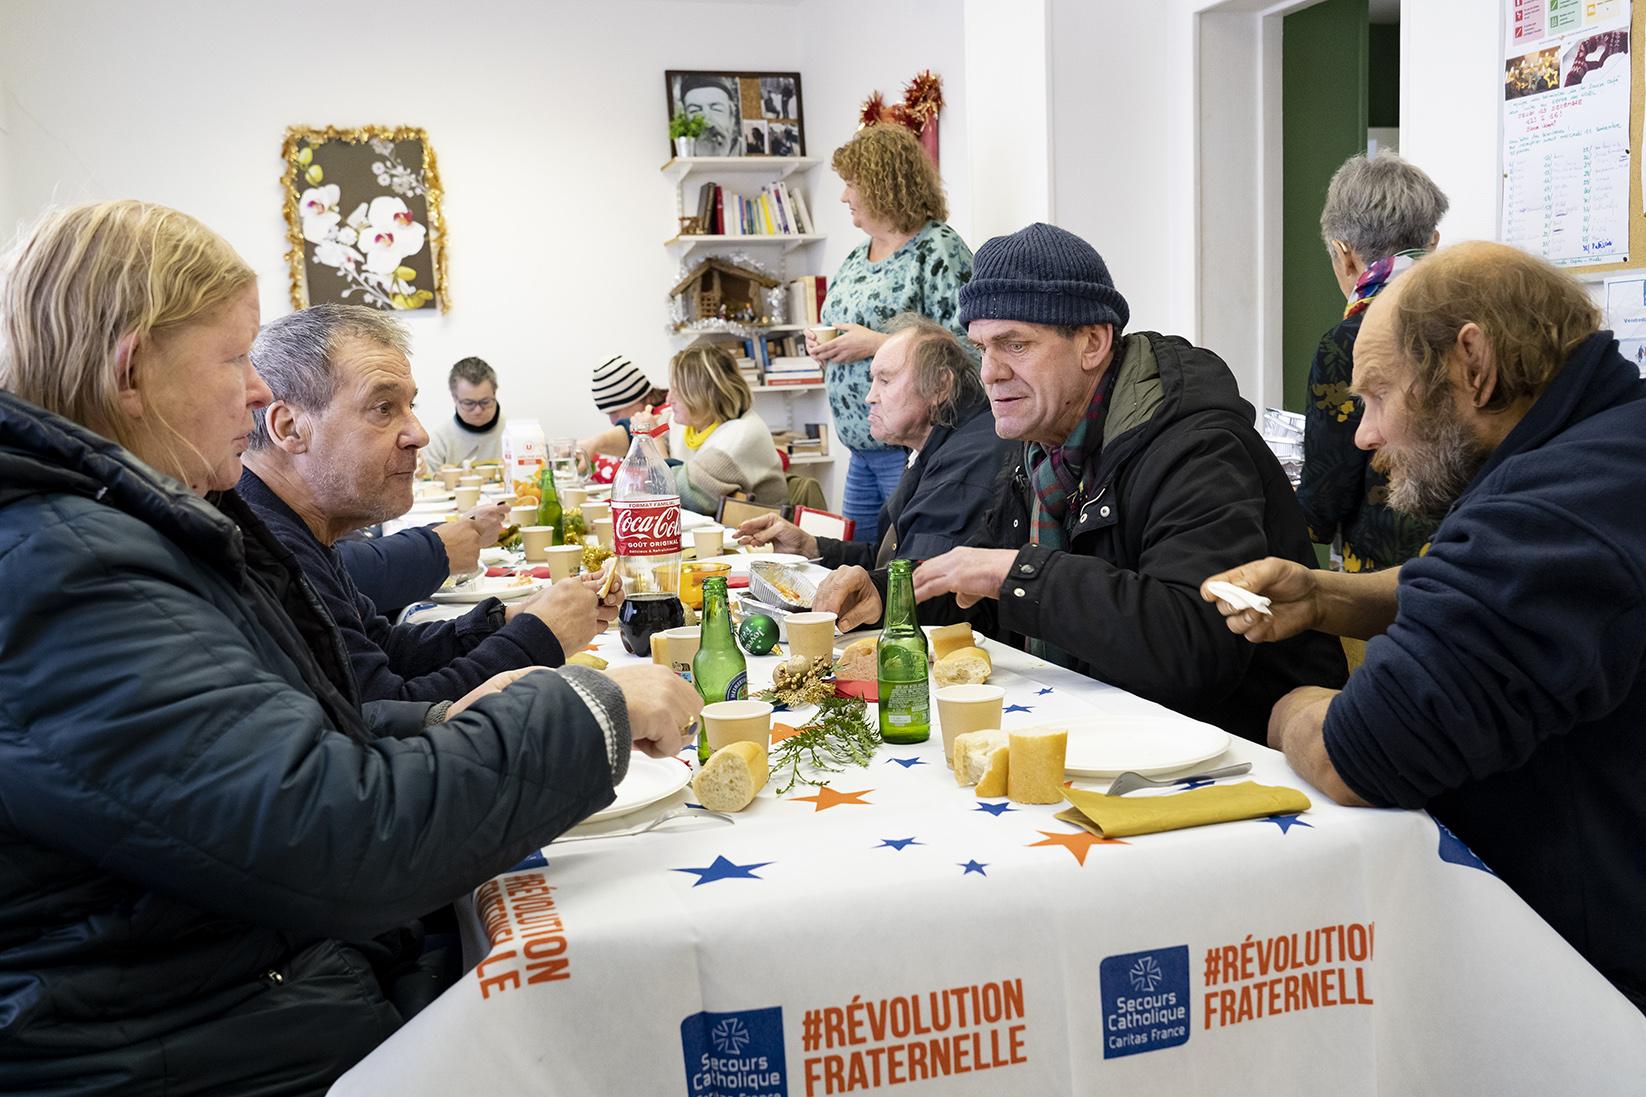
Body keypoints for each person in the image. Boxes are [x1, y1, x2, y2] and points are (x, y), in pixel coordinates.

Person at [0, 199, 701, 1091]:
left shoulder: (105, 534)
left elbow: (292, 738)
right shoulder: (65, 571)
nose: (257, 395)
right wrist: (587, 709)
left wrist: (449, 714)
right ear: (132, 372)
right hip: (210, 1043)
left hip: (240, 995)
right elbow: (339, 834)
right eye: (233, 361)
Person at [1202, 241, 1646, 1011]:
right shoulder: (1605, 451)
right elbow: (1477, 583)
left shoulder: (1548, 516)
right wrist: (1326, 595)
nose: (1365, 437)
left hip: (1597, 1004)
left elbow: (1358, 755)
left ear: (1473, 364)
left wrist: (1284, 711)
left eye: (1378, 396)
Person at [815, 223, 1347, 742]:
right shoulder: (1040, 445)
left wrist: (1021, 574)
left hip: (1238, 761)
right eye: (982, 349)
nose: (991, 372)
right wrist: (888, 595)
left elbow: (1195, 646)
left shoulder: (1195, 446)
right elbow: (980, 586)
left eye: (1015, 345)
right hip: (1108, 732)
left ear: (1093, 342)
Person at [242, 303, 615, 703]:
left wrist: (510, 620)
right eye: (383, 408)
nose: (419, 434)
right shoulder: (269, 554)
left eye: (411, 406)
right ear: (290, 428)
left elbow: (386, 649)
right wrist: (540, 635)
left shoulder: (297, 528)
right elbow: (388, 714)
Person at [808, 123, 976, 546]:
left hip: (910, 446)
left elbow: (968, 348)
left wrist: (876, 344)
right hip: (861, 446)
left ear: (883, 184)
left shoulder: (937, 249)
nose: (844, 196)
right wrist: (823, 346)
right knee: (860, 567)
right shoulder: (855, 256)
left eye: (851, 184)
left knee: (902, 572)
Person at [736, 313, 1012, 568]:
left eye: (885, 380)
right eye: (873, 380)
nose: (870, 397)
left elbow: (918, 585)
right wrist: (810, 546)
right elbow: (891, 558)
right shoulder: (933, 446)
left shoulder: (965, 464)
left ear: (940, 385)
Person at [1297, 151, 1448, 573]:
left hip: (1388, 582)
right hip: (1476, 557)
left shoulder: (1351, 341)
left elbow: (1325, 501)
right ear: (1432, 242)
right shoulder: (1477, 321)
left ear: (1344, 254)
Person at [668, 343, 786, 513]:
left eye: (677, 391)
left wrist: (655, 446)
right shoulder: (691, 421)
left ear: (703, 396)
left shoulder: (742, 434)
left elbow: (688, 495)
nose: (668, 399)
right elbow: (635, 431)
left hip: (762, 536)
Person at [578, 353, 671, 468]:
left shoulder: (668, 416)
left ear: (634, 398)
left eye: (614, 413)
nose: (613, 421)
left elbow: (630, 469)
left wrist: (590, 455)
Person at [420, 355, 504, 470]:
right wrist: (436, 479)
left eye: (485, 402)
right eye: (469, 403)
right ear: (454, 397)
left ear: (494, 393)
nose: (478, 410)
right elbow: (424, 484)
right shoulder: (438, 441)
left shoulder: (515, 433)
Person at [679, 74, 742, 157]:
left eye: (717, 109)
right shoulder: (680, 153)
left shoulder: (749, 152)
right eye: (695, 111)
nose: (707, 123)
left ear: (732, 116)